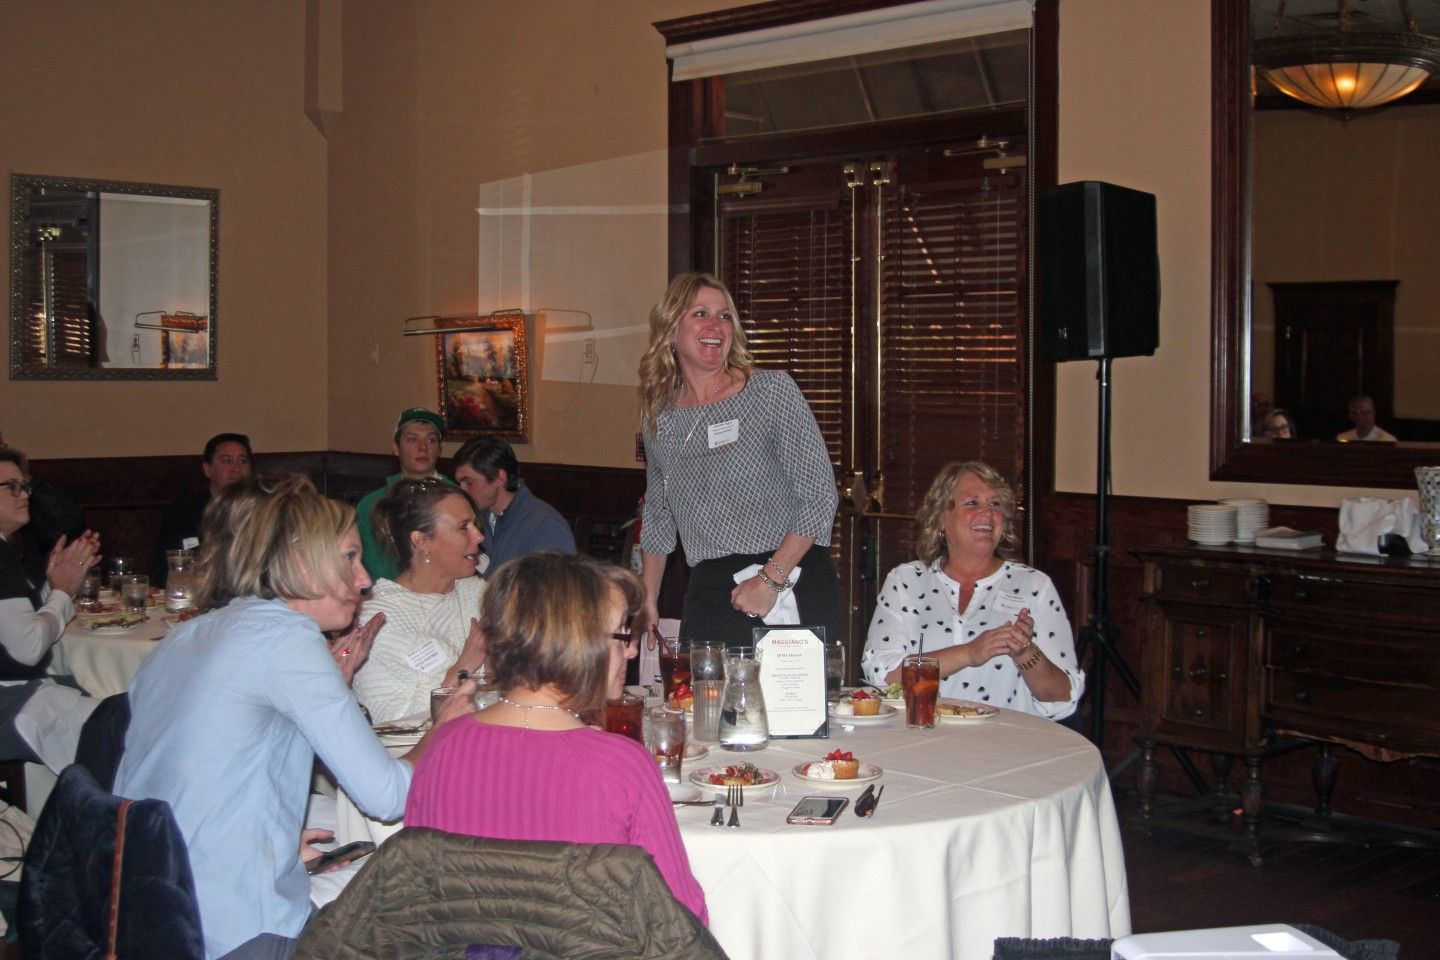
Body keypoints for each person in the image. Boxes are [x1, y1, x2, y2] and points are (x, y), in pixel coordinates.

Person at [115, 475, 474, 960]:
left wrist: (270, 830)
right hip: (234, 927)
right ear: (302, 565)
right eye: (350, 558)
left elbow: (193, 761)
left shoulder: (192, 634)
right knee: (433, 914)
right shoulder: (288, 642)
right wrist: (442, 730)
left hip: (143, 904)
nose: (365, 579)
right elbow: (388, 797)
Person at [404, 551, 708, 924]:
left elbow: (417, 901)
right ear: (577, 643)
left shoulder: (443, 747)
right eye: (622, 635)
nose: (630, 650)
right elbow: (679, 919)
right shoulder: (621, 764)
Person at [637, 272, 840, 647]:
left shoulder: (770, 391)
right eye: (700, 314)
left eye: (725, 316)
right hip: (710, 590)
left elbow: (820, 497)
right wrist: (647, 597)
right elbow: (659, 515)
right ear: (670, 330)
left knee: (789, 707)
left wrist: (770, 578)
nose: (716, 325)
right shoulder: (659, 416)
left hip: (787, 579)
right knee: (705, 705)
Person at [861, 461, 1084, 720]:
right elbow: (883, 675)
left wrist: (1025, 653)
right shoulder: (906, 580)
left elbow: (1062, 698)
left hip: (1005, 748)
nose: (987, 513)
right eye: (972, 503)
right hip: (920, 740)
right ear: (942, 518)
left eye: (995, 504)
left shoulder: (1034, 586)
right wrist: (970, 653)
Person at [352, 479, 487, 722]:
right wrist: (464, 667)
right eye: (463, 527)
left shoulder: (480, 594)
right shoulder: (377, 619)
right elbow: (392, 720)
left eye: (475, 525)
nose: (478, 536)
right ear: (421, 541)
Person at [0, 449, 102, 771]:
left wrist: (55, 586)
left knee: (113, 704)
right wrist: (61, 592)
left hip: (16, 690)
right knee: (119, 728)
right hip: (8, 703)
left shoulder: (7, 550)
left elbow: (16, 628)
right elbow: (27, 649)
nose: (24, 495)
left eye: (23, 486)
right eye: (11, 487)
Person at [453, 436, 574, 577]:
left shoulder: (546, 526)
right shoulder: (478, 519)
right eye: (459, 484)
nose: (462, 492)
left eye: (469, 482)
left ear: (499, 477)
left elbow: (554, 594)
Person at [357, 407, 453, 582]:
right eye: (412, 439)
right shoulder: (371, 505)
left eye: (431, 440)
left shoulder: (457, 500)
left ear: (439, 449)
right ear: (396, 448)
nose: (423, 447)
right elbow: (369, 563)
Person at [151, 432, 253, 583]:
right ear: (208, 469)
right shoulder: (183, 511)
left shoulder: (263, 510)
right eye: (226, 461)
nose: (237, 468)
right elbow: (163, 570)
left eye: (243, 461)